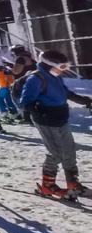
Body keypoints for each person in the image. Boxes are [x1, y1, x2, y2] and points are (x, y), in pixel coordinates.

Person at [19, 50, 92, 198]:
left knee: (69, 150)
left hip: (61, 118)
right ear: (47, 65)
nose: (62, 70)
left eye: (65, 67)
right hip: (47, 120)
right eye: (61, 67)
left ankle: (73, 183)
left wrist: (83, 100)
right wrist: (38, 111)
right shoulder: (36, 79)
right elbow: (25, 101)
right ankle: (47, 185)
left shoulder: (55, 77)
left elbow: (66, 93)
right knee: (56, 152)